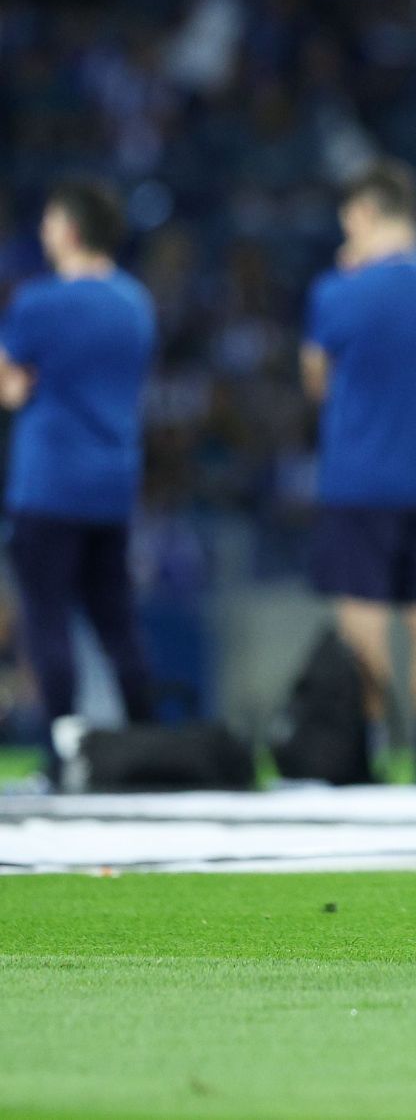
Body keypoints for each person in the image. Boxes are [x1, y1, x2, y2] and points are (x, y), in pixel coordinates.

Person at [303, 159, 416, 782]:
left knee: (364, 617)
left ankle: (369, 748)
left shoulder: (339, 290)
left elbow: (316, 380)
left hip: (359, 478)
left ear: (367, 213)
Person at [0, 181, 157, 787]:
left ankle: (62, 754)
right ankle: (147, 744)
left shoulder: (39, 304)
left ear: (67, 229)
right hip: (113, 483)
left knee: (48, 621)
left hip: (48, 483)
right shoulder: (136, 302)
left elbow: (12, 389)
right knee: (117, 619)